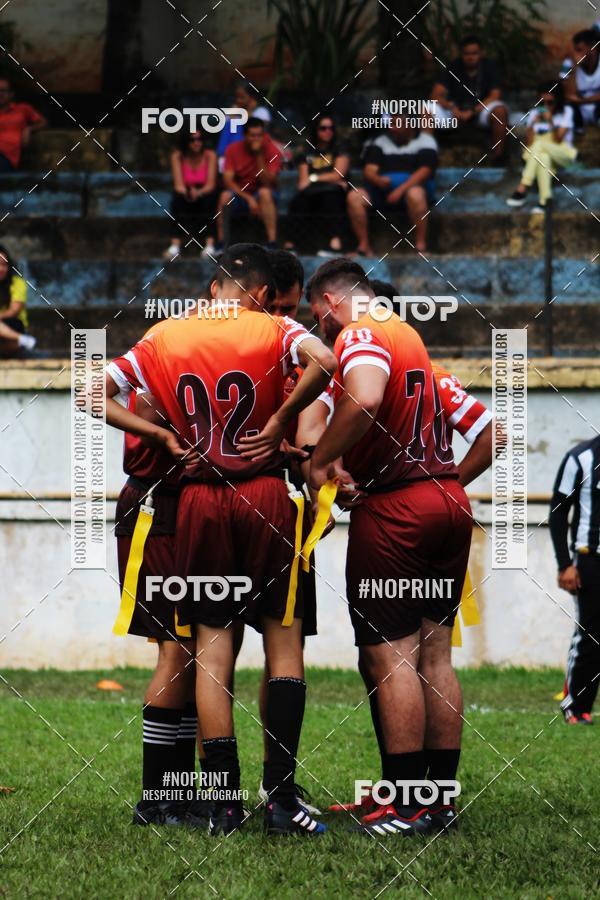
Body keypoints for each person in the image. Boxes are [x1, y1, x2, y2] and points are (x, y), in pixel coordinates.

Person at [105, 243, 337, 837]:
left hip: (195, 498)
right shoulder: (274, 328)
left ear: (217, 285)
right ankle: (281, 800)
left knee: (205, 651)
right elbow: (326, 361)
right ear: (262, 294)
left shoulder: (165, 335)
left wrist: (158, 433)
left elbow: (90, 391)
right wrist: (282, 420)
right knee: (282, 645)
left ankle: (222, 802)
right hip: (260, 494)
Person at [307, 258, 473, 837]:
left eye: (314, 314)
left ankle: (406, 806)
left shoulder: (360, 331)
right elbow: (491, 430)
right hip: (448, 501)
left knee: (390, 656)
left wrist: (323, 459)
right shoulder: (410, 333)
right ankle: (437, 801)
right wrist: (449, 484)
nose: (318, 326)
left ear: (329, 302)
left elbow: (368, 398)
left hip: (398, 509)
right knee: (435, 654)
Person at [104, 370, 204, 827]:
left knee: (197, 651)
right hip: (155, 510)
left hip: (186, 510)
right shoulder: (166, 365)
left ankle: (179, 792)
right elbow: (112, 399)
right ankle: (156, 798)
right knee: (178, 648)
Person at [549, 435, 600, 725]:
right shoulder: (581, 458)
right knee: (592, 636)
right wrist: (565, 564)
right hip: (591, 560)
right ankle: (577, 706)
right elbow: (558, 512)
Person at [347, 115, 438, 255]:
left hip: (412, 192)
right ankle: (364, 247)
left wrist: (400, 190)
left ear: (410, 125)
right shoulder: (380, 141)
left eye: (397, 124)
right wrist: (378, 180)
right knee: (355, 196)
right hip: (382, 193)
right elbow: (369, 171)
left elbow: (424, 171)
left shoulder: (426, 141)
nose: (391, 128)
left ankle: (421, 246)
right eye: (391, 123)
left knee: (415, 193)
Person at [430, 35, 509, 164]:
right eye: (466, 53)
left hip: (480, 111)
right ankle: (427, 156)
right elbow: (435, 95)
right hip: (454, 111)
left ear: (481, 53)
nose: (470, 57)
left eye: (474, 53)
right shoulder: (454, 67)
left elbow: (495, 95)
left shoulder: (489, 67)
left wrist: (473, 111)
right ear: (461, 54)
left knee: (500, 110)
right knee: (427, 109)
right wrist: (451, 107)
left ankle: (498, 157)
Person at [506, 83, 577, 212]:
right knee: (543, 157)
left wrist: (551, 122)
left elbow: (557, 140)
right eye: (541, 102)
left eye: (550, 102)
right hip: (539, 154)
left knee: (540, 146)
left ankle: (523, 186)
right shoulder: (534, 114)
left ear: (557, 100)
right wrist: (532, 124)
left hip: (561, 152)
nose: (545, 106)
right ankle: (545, 201)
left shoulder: (567, 112)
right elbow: (529, 143)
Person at [286, 116, 350, 256]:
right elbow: (303, 183)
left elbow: (338, 174)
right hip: (312, 193)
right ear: (316, 130)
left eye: (331, 128)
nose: (328, 131)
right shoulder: (306, 151)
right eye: (323, 128)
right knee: (297, 202)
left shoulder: (339, 149)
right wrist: (326, 178)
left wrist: (314, 177)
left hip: (332, 192)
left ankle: (335, 244)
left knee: (331, 199)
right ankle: (291, 245)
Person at [217, 118, 282, 249]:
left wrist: (258, 155)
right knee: (224, 197)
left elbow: (268, 182)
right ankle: (221, 243)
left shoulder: (272, 151)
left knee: (265, 193)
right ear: (245, 136)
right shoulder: (232, 149)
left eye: (260, 135)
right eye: (253, 136)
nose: (256, 139)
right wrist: (249, 198)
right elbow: (227, 181)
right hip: (240, 194)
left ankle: (272, 242)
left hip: (264, 194)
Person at [164, 130, 218, 261]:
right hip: (185, 192)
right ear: (185, 142)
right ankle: (175, 246)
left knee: (209, 200)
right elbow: (178, 185)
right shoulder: (177, 156)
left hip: (205, 192)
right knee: (177, 200)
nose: (196, 143)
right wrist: (189, 192)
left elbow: (211, 184)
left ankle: (210, 245)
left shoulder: (210, 155)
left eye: (199, 139)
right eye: (192, 140)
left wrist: (198, 192)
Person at [216, 79, 272, 165]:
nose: (238, 101)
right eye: (237, 97)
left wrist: (249, 111)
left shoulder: (261, 112)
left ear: (252, 98)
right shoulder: (232, 113)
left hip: (251, 153)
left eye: (242, 97)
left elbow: (257, 130)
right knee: (228, 125)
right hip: (231, 154)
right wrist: (232, 115)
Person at [0, 77, 46, 172]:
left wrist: (29, 129)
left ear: (11, 94)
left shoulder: (23, 109)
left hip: (6, 156)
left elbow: (43, 122)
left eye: (3, 91)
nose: (0, 94)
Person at [0, 245, 36, 356]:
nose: (1, 269)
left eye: (4, 265)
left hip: (12, 324)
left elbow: (14, 310)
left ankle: (20, 339)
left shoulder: (17, 283)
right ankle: (22, 341)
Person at [564, 29, 600, 132]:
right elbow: (568, 95)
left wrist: (582, 100)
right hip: (578, 110)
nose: (575, 54)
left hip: (595, 107)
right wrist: (574, 67)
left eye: (579, 50)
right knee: (567, 107)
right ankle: (578, 129)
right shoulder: (568, 64)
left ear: (593, 49)